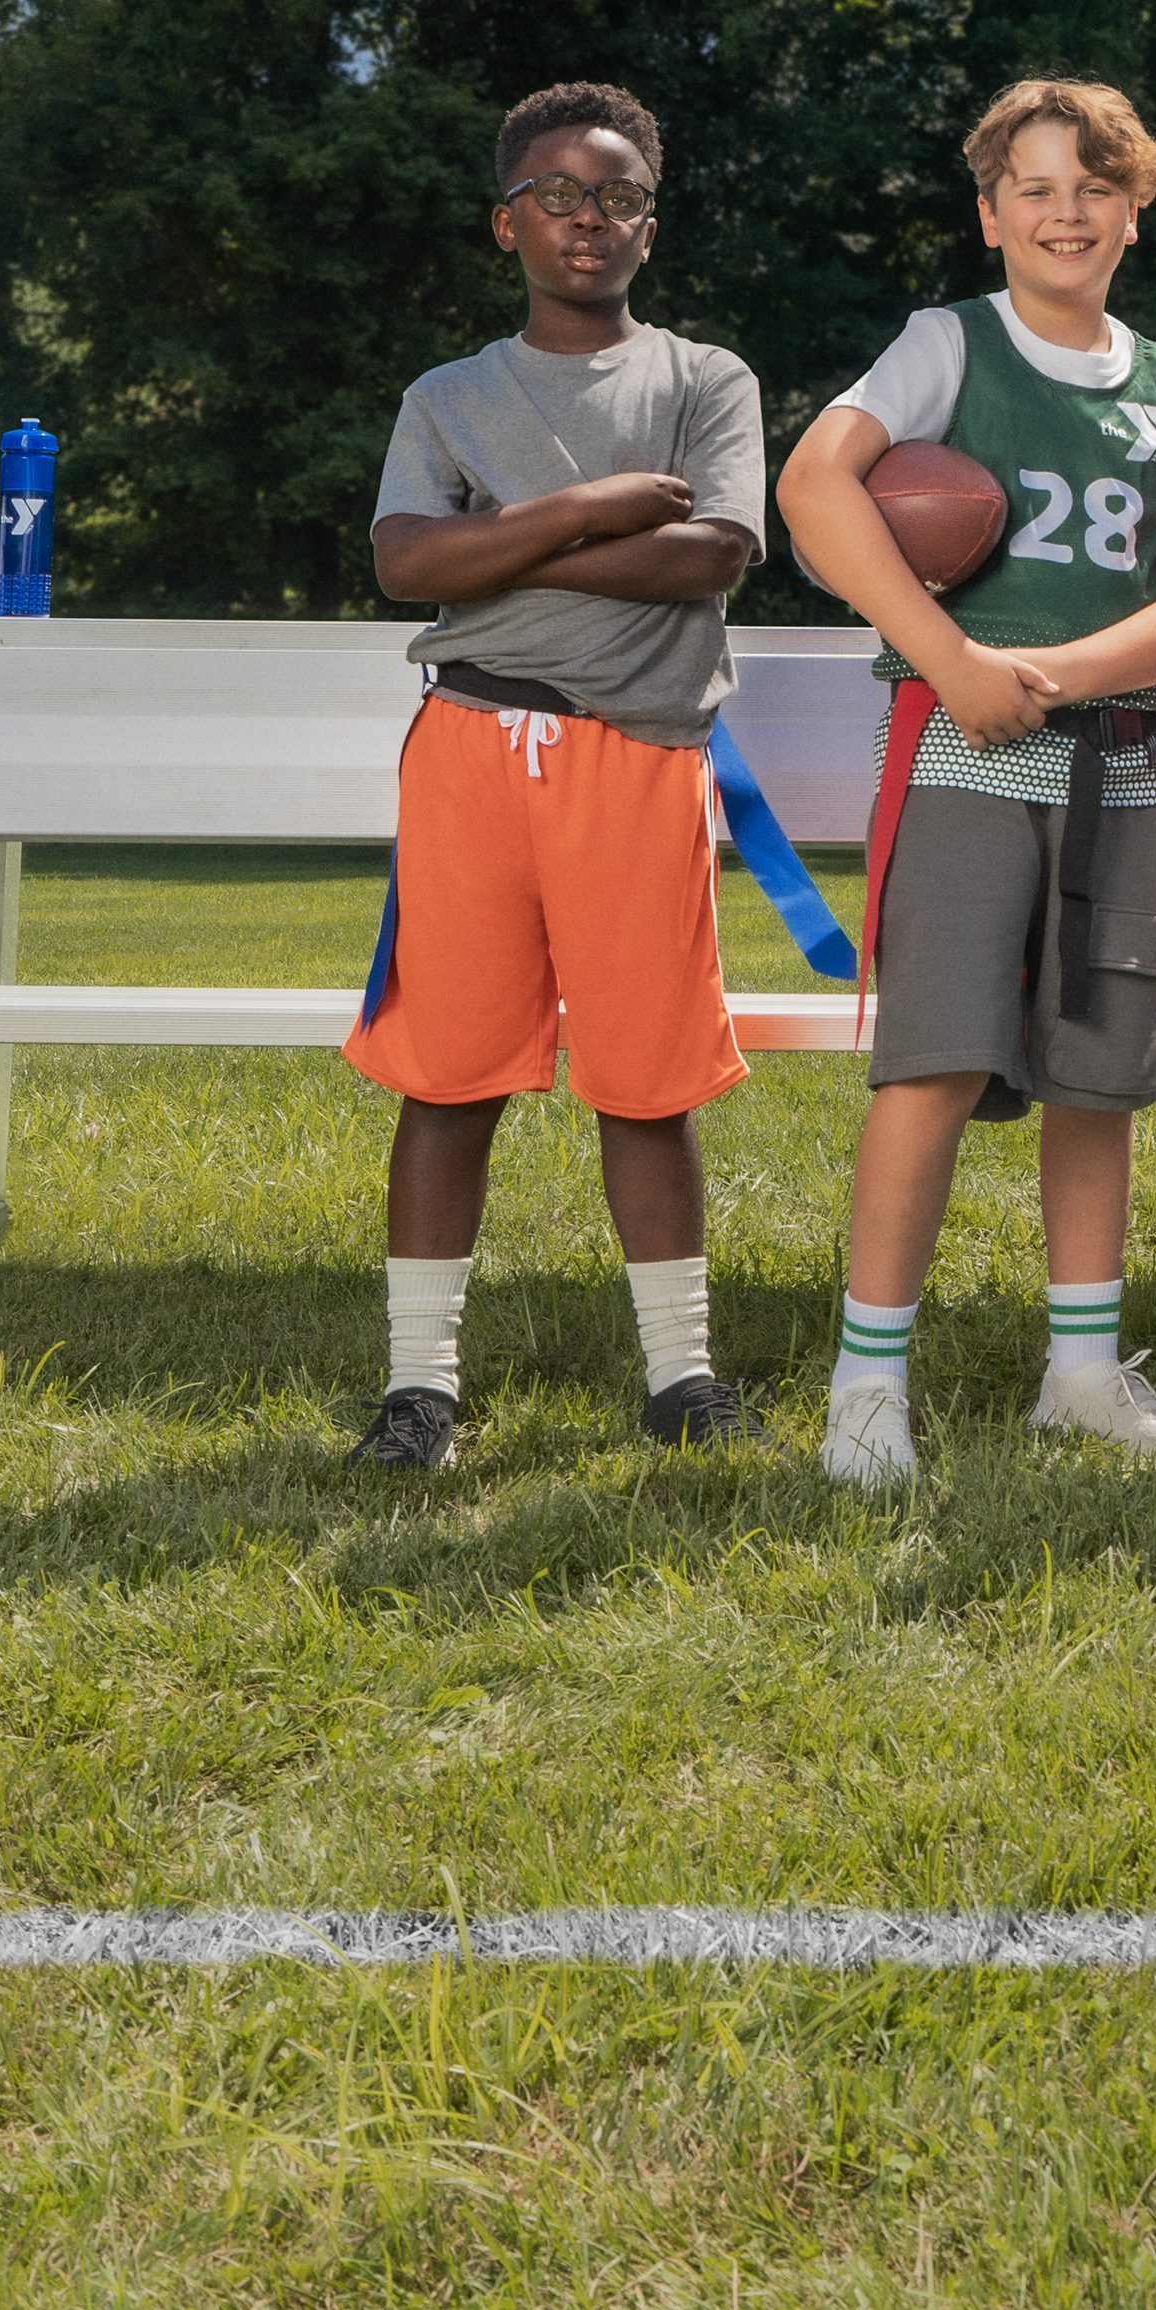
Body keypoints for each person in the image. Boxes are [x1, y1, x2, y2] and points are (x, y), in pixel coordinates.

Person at [772, 77, 1156, 1490]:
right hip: (964, 749)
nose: (1065, 211)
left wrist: (1062, 668)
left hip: (1122, 760)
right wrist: (955, 655)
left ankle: (1084, 1373)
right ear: (990, 216)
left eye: (1094, 187)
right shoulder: (945, 344)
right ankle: (866, 1391)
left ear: (1133, 213)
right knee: (934, 1062)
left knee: (1098, 1077)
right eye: (1033, 188)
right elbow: (815, 489)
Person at [345, 81, 773, 1466]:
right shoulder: (450, 395)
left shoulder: (703, 381)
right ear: (505, 222)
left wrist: (499, 545)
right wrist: (587, 509)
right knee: (450, 1075)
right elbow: (407, 564)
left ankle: (682, 1381)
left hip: (637, 759)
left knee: (646, 1078)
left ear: (651, 223)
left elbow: (707, 557)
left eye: (619, 198)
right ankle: (421, 1391)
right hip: (474, 747)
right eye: (559, 198)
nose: (589, 221)